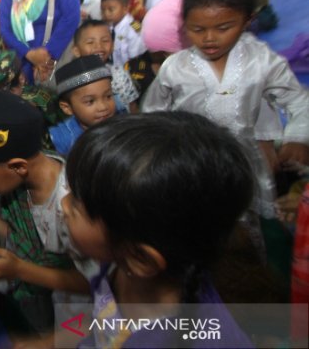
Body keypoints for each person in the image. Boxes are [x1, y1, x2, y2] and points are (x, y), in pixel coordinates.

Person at [60, 112, 254, 348]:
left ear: (141, 258)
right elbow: (102, 320)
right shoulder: (118, 264)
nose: (64, 204)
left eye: (78, 204)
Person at [142, 0, 309, 216]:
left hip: (247, 162)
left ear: (247, 21)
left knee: (249, 224)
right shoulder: (174, 68)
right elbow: (153, 116)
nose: (209, 38)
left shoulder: (261, 60)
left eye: (223, 28)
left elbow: (298, 101)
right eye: (197, 29)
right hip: (195, 164)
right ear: (185, 25)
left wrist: (297, 136)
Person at [0, 91, 93, 338]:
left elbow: (91, 282)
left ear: (18, 166)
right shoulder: (17, 182)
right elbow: (22, 233)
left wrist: (20, 270)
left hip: (76, 321)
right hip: (34, 308)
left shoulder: (72, 206)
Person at [48, 56, 117, 157]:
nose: (103, 107)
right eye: (90, 101)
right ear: (67, 108)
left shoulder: (122, 125)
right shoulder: (61, 139)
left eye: (108, 96)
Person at [71, 19, 140, 113]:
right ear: (76, 51)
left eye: (105, 40)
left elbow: (132, 107)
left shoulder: (119, 74)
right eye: (90, 42)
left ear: (112, 46)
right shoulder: (72, 80)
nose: (99, 46)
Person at [100, 0, 146, 69]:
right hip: (115, 67)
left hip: (131, 69)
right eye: (103, 11)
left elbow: (135, 57)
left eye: (111, 10)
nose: (106, 14)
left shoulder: (132, 28)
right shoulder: (109, 26)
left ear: (125, 9)